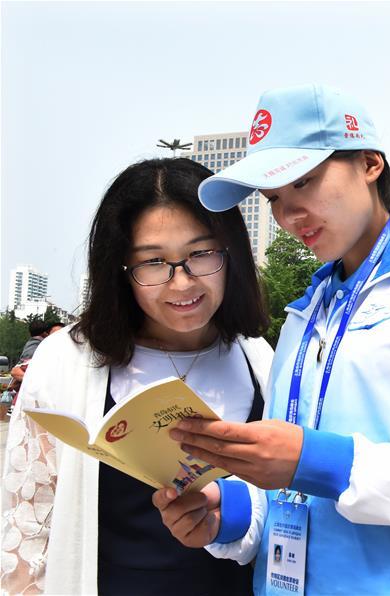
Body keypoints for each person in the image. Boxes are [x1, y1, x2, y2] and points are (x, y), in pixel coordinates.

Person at [152, 83, 390, 594]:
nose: (289, 216)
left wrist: (320, 461)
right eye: (274, 199)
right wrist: (231, 512)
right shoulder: (304, 314)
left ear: (370, 163)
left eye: (304, 182)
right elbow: (295, 479)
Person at [1, 158, 273, 595]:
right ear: (120, 269)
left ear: (232, 254)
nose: (182, 283)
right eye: (153, 262)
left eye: (201, 253)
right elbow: (27, 531)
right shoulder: (65, 360)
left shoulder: (259, 358)